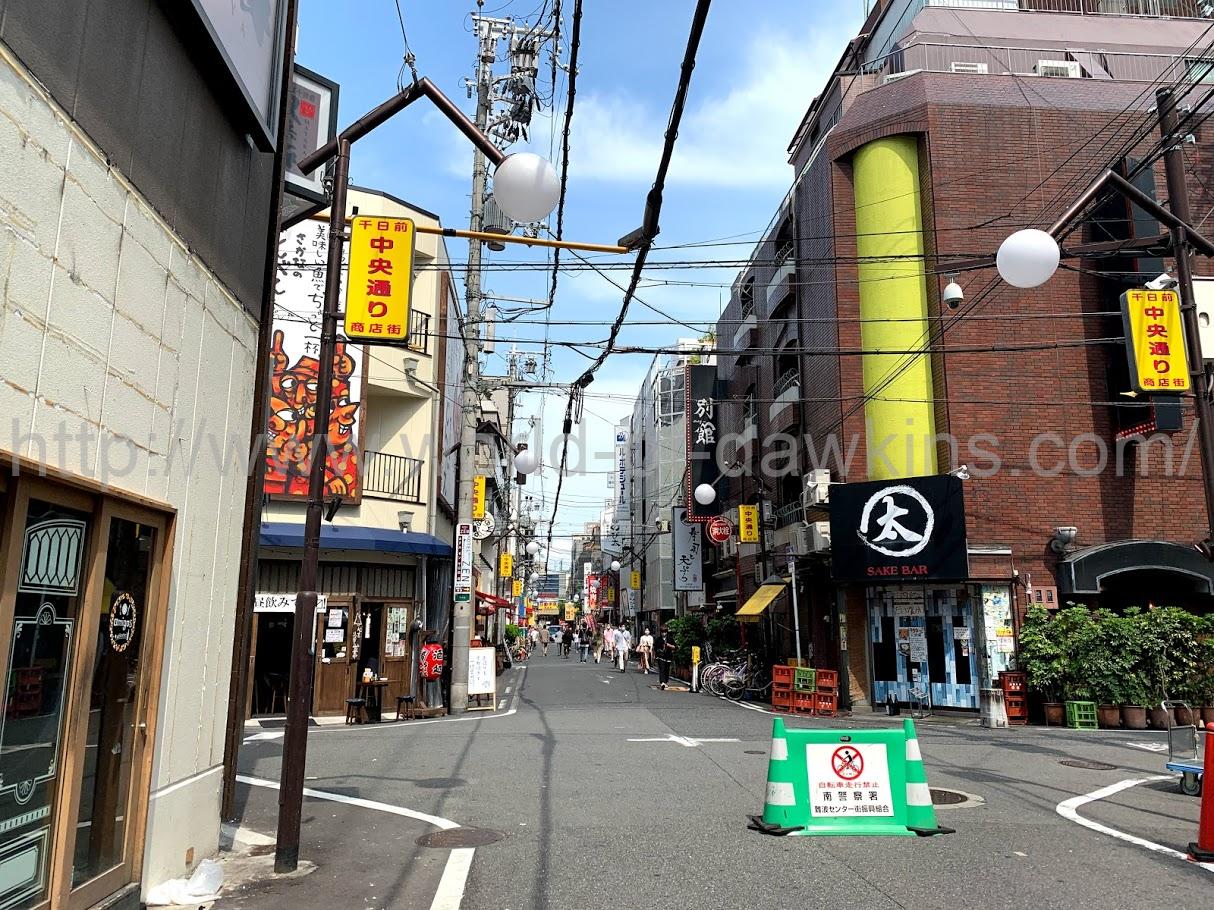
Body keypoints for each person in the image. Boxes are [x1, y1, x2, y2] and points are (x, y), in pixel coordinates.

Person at [656, 625, 675, 690]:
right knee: (662, 670)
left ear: (667, 632)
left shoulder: (670, 638)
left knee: (667, 670)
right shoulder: (658, 639)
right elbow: (655, 648)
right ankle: (662, 683)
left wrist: (669, 645)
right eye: (662, 632)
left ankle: (665, 681)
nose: (663, 633)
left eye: (665, 632)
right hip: (660, 657)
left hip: (668, 657)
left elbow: (675, 647)